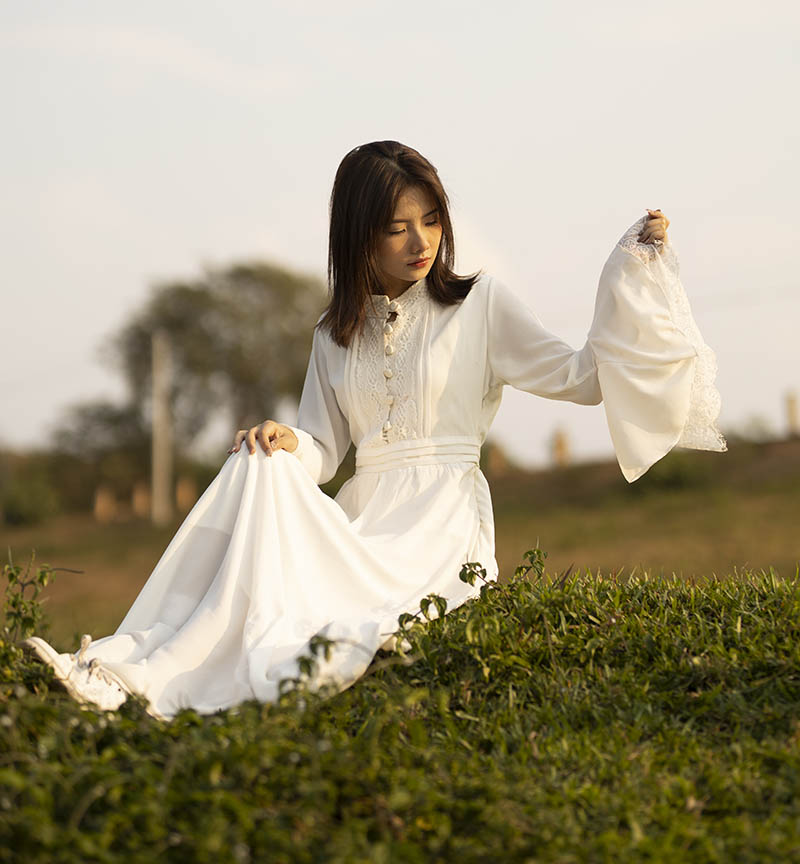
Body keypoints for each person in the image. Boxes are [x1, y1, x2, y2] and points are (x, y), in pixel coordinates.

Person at [26, 141, 726, 719]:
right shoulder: (334, 337)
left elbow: (581, 377)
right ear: (359, 236)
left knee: (306, 598)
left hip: (440, 522)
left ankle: (154, 674)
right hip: (359, 521)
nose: (421, 241)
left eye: (431, 220)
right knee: (254, 460)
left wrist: (629, 273)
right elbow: (324, 453)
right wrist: (285, 441)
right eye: (397, 227)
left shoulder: (480, 305)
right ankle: (136, 663)